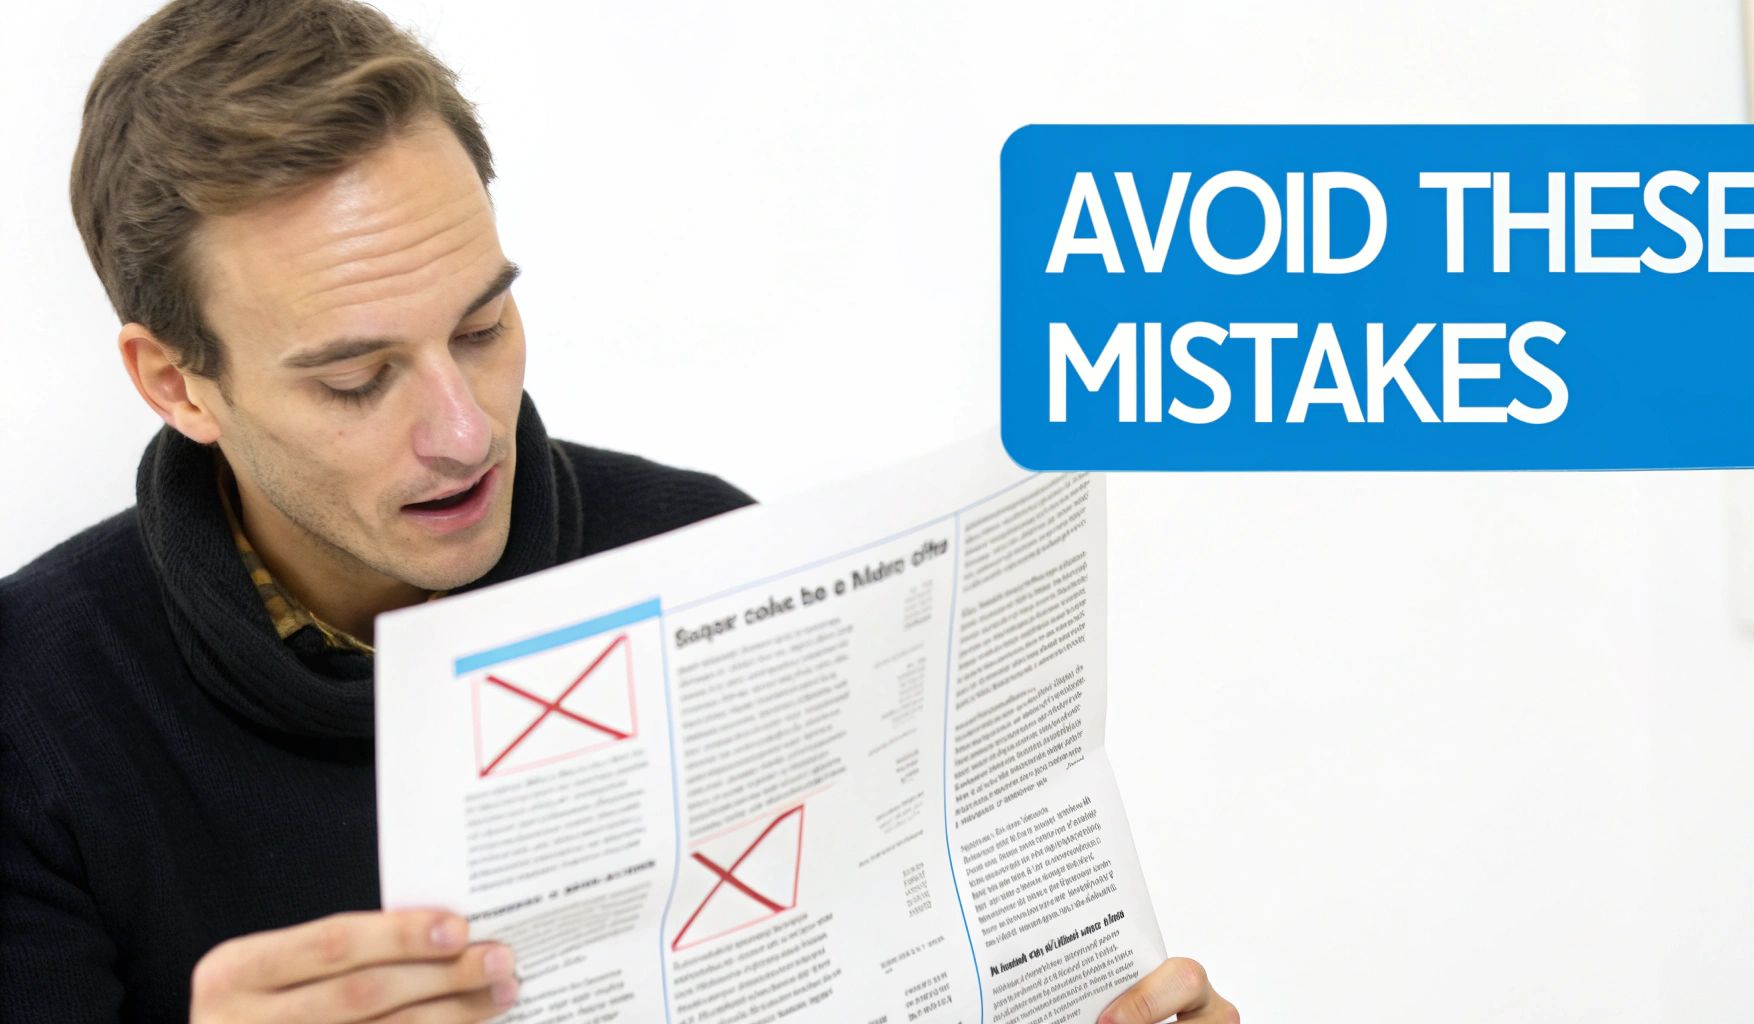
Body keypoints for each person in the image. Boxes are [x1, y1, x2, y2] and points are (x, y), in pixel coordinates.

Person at [0, 1, 1240, 1021]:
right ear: (177, 383)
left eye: (482, 326)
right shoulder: (32, 711)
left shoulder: (714, 559)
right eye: (355, 378)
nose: (464, 430)